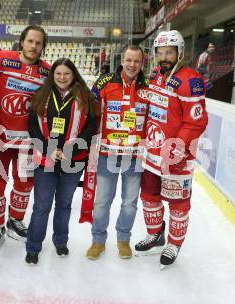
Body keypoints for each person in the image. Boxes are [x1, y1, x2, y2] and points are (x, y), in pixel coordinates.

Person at [134, 30, 208, 269]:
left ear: (180, 52)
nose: (164, 57)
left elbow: (196, 121)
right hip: (152, 153)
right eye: (160, 52)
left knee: (178, 203)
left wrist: (177, 147)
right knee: (149, 196)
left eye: (169, 52)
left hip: (177, 156)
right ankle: (155, 234)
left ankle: (174, 243)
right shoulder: (156, 75)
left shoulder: (191, 80)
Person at [0, 25, 50, 251]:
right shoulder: (0, 61)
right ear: (22, 41)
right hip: (0, 139)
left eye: (38, 43)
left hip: (28, 142)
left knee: (24, 183)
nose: (34, 46)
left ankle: (15, 220)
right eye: (30, 41)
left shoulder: (47, 72)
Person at [25, 58, 97, 264]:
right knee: (42, 205)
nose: (62, 77)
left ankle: (60, 241)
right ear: (52, 75)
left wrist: (70, 149)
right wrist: (49, 150)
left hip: (73, 160)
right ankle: (33, 246)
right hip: (45, 160)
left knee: (64, 204)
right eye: (58, 73)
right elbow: (32, 127)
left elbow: (91, 127)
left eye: (66, 73)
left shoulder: (85, 97)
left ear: (73, 74)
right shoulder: (41, 95)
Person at [86, 45, 149, 260]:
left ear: (142, 63)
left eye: (137, 61)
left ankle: (123, 239)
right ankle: (98, 240)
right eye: (128, 60)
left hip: (135, 155)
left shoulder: (148, 87)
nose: (132, 65)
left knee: (130, 202)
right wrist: (91, 144)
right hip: (108, 153)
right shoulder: (104, 83)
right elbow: (91, 114)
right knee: (102, 201)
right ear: (122, 60)